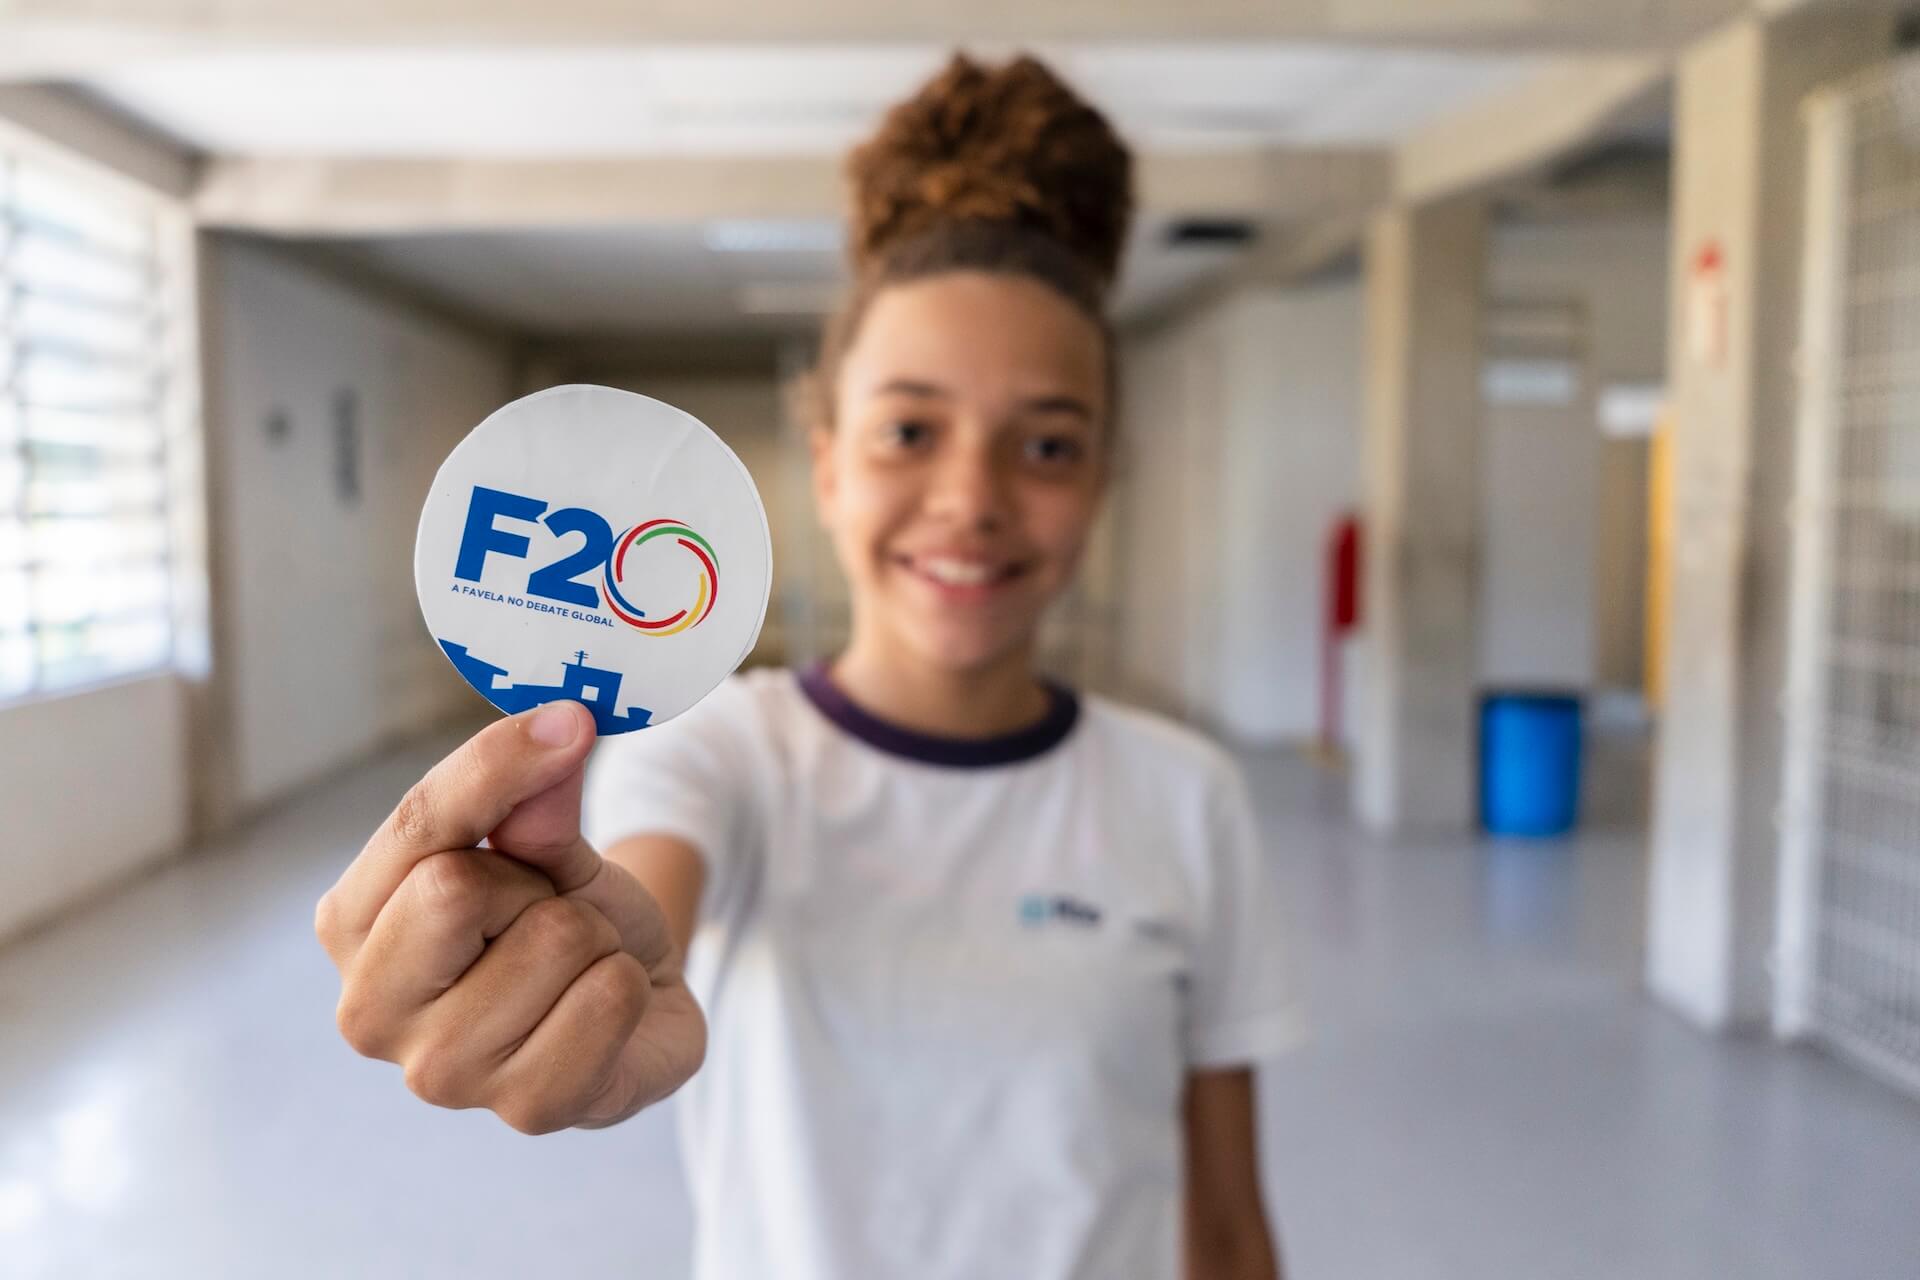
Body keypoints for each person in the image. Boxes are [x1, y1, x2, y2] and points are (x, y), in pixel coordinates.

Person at [315, 52, 1301, 1280]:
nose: (970, 500)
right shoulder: (718, 747)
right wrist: (584, 975)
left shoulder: (1186, 793)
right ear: (827, 462)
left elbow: (1229, 1215)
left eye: (1047, 442)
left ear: (1103, 477)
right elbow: (641, 907)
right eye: (909, 431)